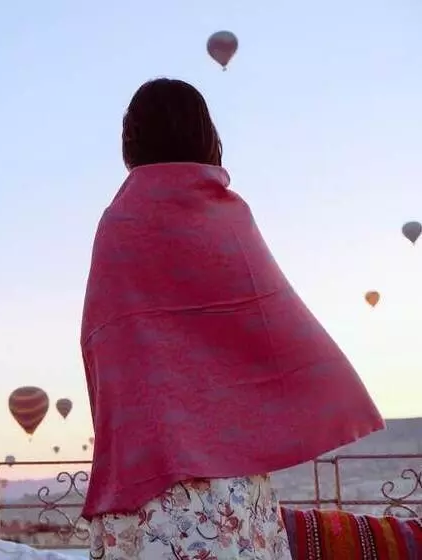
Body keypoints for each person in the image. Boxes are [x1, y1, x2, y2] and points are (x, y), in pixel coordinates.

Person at [82, 78, 385, 559]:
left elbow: (106, 350)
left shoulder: (119, 223)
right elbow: (272, 319)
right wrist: (328, 390)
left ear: (131, 140)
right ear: (206, 135)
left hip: (149, 482)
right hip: (232, 485)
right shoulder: (227, 216)